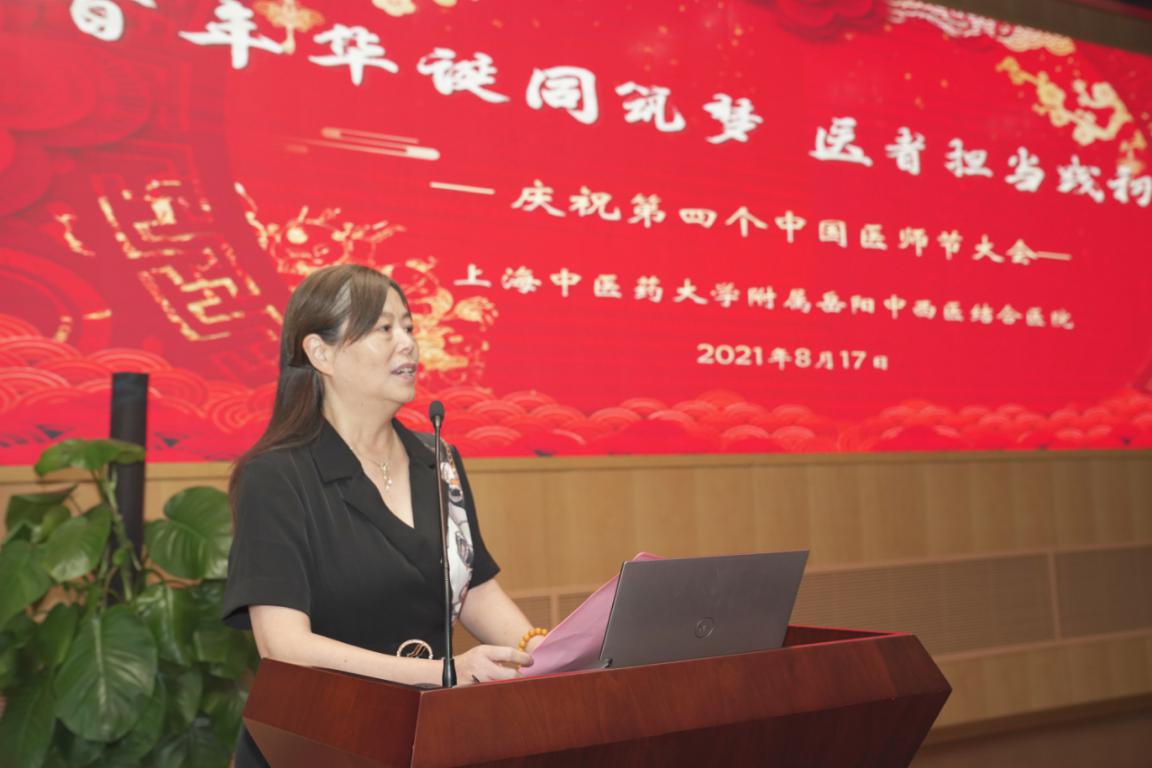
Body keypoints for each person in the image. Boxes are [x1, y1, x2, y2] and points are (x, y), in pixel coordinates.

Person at [222, 265, 543, 766]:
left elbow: (473, 587)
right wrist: (444, 672)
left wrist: (543, 653)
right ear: (320, 353)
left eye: (409, 327)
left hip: (425, 737)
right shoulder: (275, 476)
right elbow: (284, 645)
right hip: (318, 742)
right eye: (384, 329)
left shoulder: (437, 458)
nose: (408, 344)